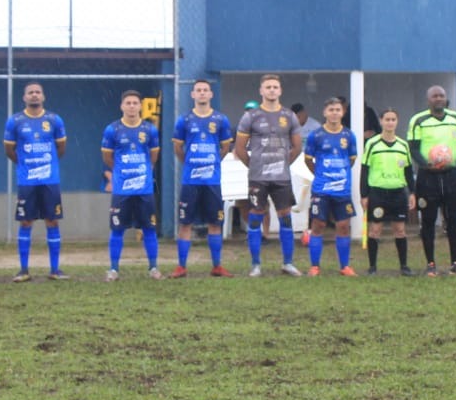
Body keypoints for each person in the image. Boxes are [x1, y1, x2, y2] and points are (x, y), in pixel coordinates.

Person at [233, 75, 304, 277]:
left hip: (281, 177)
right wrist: (254, 165)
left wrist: (282, 164)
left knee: (286, 218)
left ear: (280, 91)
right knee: (255, 218)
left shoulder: (289, 116)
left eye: (275, 87)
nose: (272, 90)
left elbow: (297, 147)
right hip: (258, 177)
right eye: (268, 87)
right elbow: (239, 148)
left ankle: (287, 263)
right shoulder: (251, 116)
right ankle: (256, 265)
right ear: (261, 91)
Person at [4, 82, 68, 282]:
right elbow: (10, 151)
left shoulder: (54, 120)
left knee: (53, 220)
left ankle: (55, 270)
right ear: (24, 97)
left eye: (37, 92)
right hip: (27, 181)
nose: (34, 95)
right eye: (30, 93)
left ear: (43, 96)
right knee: (26, 221)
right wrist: (26, 165)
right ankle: (23, 270)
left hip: (50, 181)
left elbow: (60, 148)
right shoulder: (15, 121)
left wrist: (46, 165)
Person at [172, 79, 234, 277]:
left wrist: (213, 162)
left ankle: (217, 266)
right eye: (198, 90)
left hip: (212, 182)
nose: (201, 93)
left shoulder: (221, 120)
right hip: (190, 181)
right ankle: (181, 266)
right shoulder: (184, 120)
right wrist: (190, 163)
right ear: (192, 94)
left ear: (211, 94)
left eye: (205, 90)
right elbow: (178, 148)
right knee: (185, 223)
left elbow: (225, 148)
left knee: (215, 222)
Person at [101, 90, 163, 280]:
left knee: (149, 229)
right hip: (122, 190)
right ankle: (114, 269)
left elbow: (153, 156)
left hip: (144, 189)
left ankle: (153, 268)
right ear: (122, 106)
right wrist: (121, 172)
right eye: (128, 103)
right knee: (117, 229)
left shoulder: (149, 129)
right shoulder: (113, 129)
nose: (131, 106)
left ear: (140, 106)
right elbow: (107, 157)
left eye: (135, 103)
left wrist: (143, 171)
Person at [408, 85, 456, 276]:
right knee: (428, 220)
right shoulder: (419, 120)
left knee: (453, 220)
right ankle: (431, 264)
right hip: (428, 178)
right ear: (429, 100)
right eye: (435, 96)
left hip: (451, 176)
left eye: (441, 95)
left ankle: (455, 263)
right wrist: (427, 165)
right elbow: (414, 149)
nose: (439, 99)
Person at [303, 97, 359, 276]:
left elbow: (351, 160)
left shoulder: (349, 135)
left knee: (343, 225)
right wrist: (320, 174)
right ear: (324, 112)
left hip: (342, 189)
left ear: (342, 113)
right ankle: (314, 266)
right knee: (318, 224)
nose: (334, 113)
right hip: (321, 189)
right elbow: (308, 160)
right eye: (331, 110)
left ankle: (344, 267)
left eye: (338, 110)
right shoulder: (316, 135)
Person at [361, 108, 416, 276]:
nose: (390, 123)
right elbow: (364, 170)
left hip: (398, 192)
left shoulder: (403, 145)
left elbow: (408, 171)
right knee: (375, 229)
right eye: (387, 119)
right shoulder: (372, 143)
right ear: (381, 121)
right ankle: (372, 267)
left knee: (399, 229)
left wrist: (412, 193)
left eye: (393, 119)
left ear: (397, 122)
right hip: (378, 192)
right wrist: (364, 194)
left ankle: (404, 266)